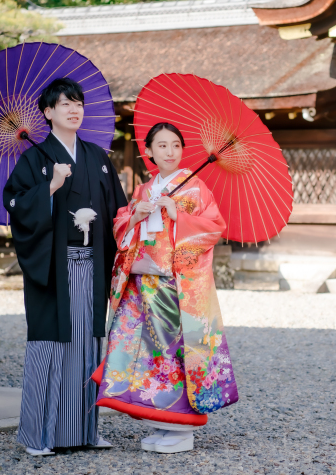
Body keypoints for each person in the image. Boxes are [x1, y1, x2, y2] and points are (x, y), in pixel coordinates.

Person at [92, 122, 238, 454]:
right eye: (162, 145)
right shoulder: (144, 190)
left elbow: (214, 228)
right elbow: (120, 225)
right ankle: (161, 420)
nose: (170, 152)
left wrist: (179, 215)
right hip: (143, 284)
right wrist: (134, 215)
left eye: (175, 145)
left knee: (174, 351)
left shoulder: (196, 188)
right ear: (149, 151)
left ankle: (182, 428)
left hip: (175, 286)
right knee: (148, 353)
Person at [3, 77, 127, 456]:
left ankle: (85, 432)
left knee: (87, 344)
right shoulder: (34, 159)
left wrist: (136, 216)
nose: (74, 110)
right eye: (65, 104)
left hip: (92, 264)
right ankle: (37, 435)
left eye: (79, 104)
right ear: (48, 112)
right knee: (51, 343)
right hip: (54, 267)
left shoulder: (97, 157)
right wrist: (51, 187)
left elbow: (117, 211)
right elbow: (15, 204)